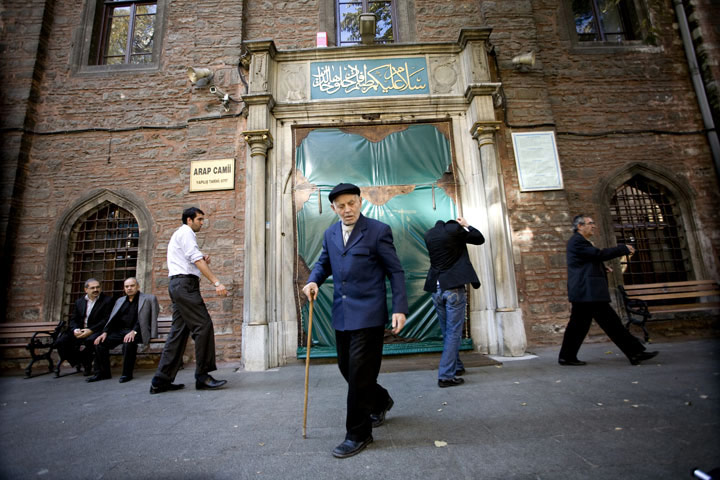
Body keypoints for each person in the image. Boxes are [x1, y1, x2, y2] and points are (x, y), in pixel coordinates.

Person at [302, 183, 408, 459]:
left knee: (359, 375)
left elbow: (395, 271)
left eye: (351, 203)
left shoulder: (377, 231)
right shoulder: (330, 233)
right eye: (341, 206)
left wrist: (399, 308)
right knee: (347, 369)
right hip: (342, 314)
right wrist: (313, 280)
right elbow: (324, 263)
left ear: (360, 202)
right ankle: (381, 400)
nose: (347, 209)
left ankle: (358, 433)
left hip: (370, 314)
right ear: (334, 208)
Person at [559, 214, 658, 366]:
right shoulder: (578, 241)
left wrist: (601, 267)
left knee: (578, 327)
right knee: (612, 324)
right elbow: (598, 254)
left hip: (585, 293)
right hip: (588, 293)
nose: (594, 226)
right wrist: (622, 249)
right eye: (590, 223)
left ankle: (567, 357)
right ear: (580, 226)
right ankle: (635, 352)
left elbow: (587, 261)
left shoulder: (580, 242)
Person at [149, 207, 228, 394]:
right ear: (189, 220)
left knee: (178, 333)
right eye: (199, 219)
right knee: (204, 326)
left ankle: (161, 380)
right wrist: (217, 282)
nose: (202, 222)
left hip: (180, 285)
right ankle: (203, 376)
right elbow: (196, 261)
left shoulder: (182, 234)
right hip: (185, 287)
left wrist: (201, 257)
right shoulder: (186, 232)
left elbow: (193, 259)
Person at [423, 217, 485, 387]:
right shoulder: (453, 230)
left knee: (447, 331)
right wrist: (466, 225)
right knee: (454, 332)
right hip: (454, 288)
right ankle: (445, 376)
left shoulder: (429, 235)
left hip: (436, 288)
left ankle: (456, 366)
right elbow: (479, 238)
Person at [88, 277, 159, 383]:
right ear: (124, 288)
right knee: (100, 343)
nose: (129, 288)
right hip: (120, 331)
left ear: (138, 286)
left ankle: (126, 374)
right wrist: (105, 332)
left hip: (138, 331)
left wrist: (134, 331)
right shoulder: (120, 300)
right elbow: (113, 319)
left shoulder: (149, 298)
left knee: (128, 342)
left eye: (132, 286)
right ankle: (103, 373)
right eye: (127, 286)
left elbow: (148, 319)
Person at [55, 278, 113, 376]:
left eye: (98, 287)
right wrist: (75, 330)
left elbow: (106, 319)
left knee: (90, 341)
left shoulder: (107, 301)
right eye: (92, 288)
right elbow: (74, 319)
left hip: (97, 330)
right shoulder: (79, 301)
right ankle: (80, 361)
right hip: (81, 330)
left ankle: (87, 365)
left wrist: (91, 330)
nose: (96, 290)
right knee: (61, 341)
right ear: (86, 290)